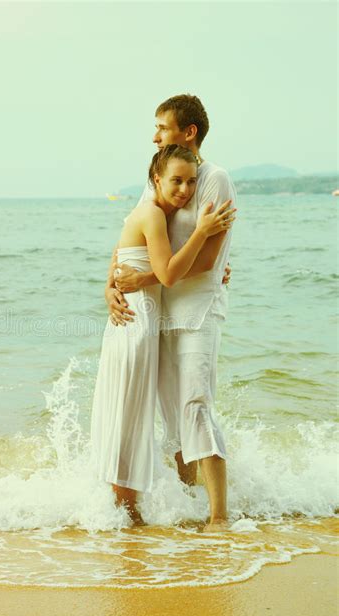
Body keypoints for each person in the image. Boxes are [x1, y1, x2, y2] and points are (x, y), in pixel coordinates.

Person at [105, 94, 237, 532]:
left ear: (188, 131)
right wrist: (110, 284)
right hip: (159, 312)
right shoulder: (159, 175)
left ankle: (219, 515)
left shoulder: (215, 180)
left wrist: (148, 279)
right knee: (172, 416)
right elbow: (131, 235)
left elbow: (206, 261)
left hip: (197, 311)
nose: (155, 134)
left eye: (162, 126)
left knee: (196, 403)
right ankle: (187, 505)